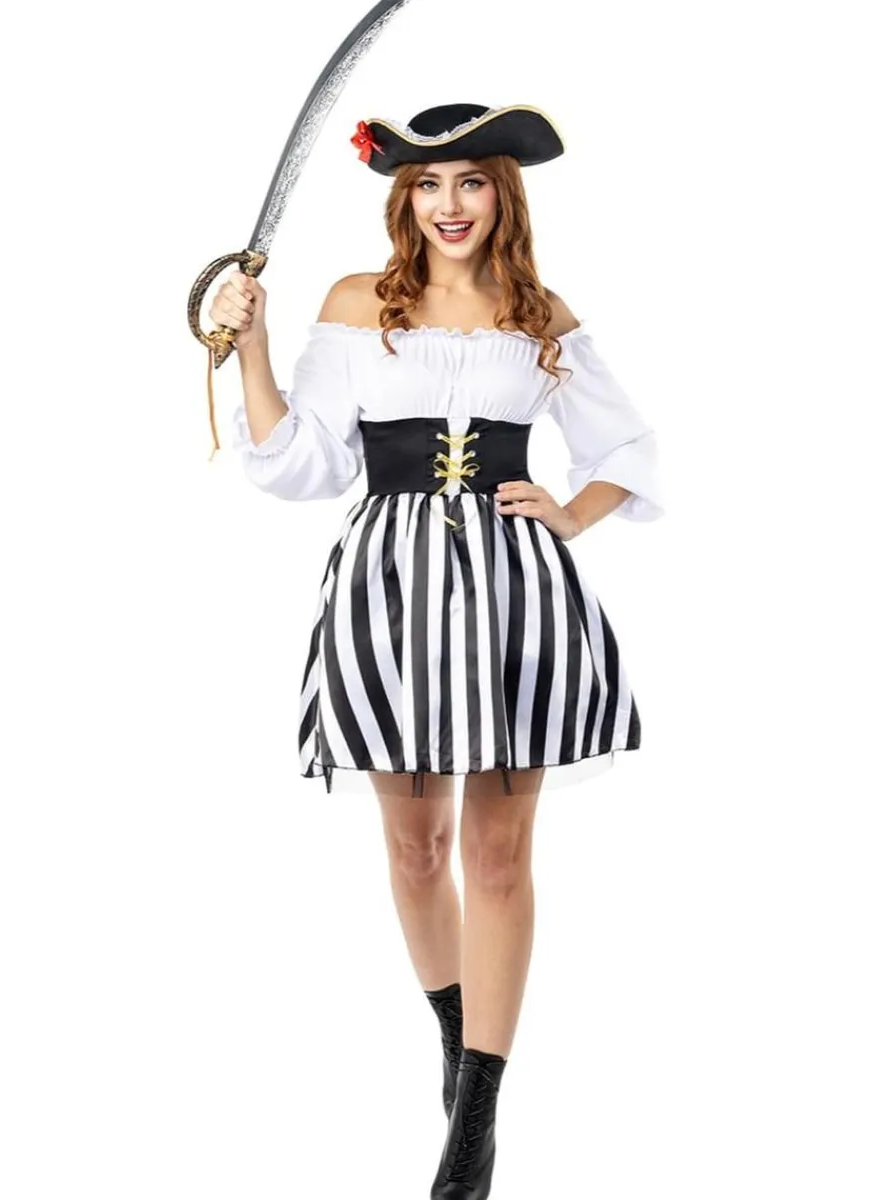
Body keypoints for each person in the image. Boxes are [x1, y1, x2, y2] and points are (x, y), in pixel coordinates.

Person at [211, 102, 664, 1199]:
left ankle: (476, 1124)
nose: (449, 205)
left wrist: (570, 513)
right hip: (392, 596)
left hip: (516, 597)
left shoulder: (539, 313)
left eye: (470, 182)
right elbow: (303, 462)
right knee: (418, 849)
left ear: (503, 194)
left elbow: (626, 445)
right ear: (404, 198)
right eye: (427, 183)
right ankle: (460, 1044)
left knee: (499, 857)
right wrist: (252, 349)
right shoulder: (358, 304)